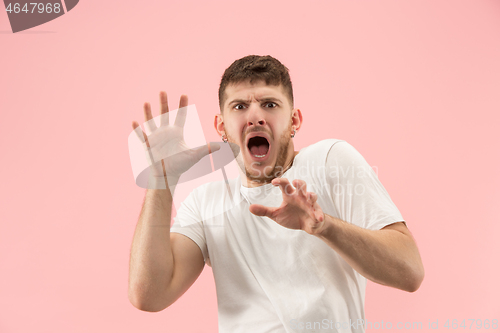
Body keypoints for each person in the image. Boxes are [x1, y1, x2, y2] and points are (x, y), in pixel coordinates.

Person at [128, 55, 424, 333]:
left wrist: (324, 227)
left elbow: (409, 271)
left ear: (294, 120)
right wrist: (161, 181)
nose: (255, 117)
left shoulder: (330, 159)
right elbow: (150, 295)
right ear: (221, 126)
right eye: (240, 107)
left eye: (269, 104)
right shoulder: (205, 202)